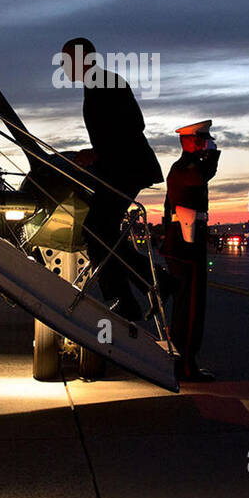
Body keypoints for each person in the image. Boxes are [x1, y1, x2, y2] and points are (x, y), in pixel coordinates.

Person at [60, 38, 163, 321]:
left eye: (66, 59)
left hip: (127, 169)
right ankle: (147, 290)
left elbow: (134, 125)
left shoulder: (104, 82)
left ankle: (127, 300)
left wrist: (96, 152)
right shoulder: (97, 83)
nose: (63, 66)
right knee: (102, 231)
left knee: (96, 231)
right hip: (120, 168)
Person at [162, 120, 220, 382]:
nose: (205, 142)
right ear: (188, 141)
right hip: (186, 242)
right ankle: (185, 366)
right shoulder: (185, 167)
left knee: (189, 304)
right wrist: (213, 153)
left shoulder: (187, 166)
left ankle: (185, 362)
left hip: (187, 240)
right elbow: (201, 177)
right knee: (190, 306)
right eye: (202, 138)